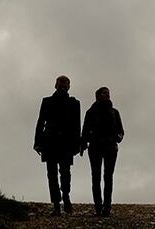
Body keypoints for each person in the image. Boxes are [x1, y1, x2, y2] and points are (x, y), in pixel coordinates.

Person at [34, 74, 82, 215]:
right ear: (56, 85)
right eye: (61, 83)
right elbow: (40, 122)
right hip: (49, 141)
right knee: (52, 174)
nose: (63, 86)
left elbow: (77, 125)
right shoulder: (47, 101)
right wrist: (37, 142)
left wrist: (77, 143)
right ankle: (56, 203)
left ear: (69, 86)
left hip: (66, 143)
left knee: (65, 172)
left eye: (66, 84)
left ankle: (66, 196)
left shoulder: (74, 103)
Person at [81, 85, 124, 217]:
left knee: (108, 178)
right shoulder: (91, 112)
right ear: (98, 96)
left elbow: (121, 131)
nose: (107, 95)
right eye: (104, 93)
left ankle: (107, 207)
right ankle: (98, 207)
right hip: (95, 148)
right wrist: (84, 144)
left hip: (111, 148)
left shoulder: (114, 112)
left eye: (108, 93)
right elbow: (85, 130)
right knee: (96, 177)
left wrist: (117, 138)